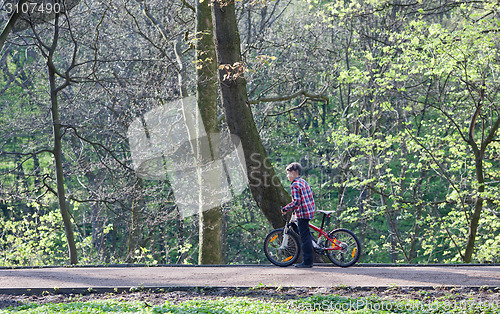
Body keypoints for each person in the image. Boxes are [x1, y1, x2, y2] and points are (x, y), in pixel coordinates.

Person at [281, 162, 315, 268]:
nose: (287, 176)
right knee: (305, 235)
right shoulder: (303, 182)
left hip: (303, 213)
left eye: (288, 173)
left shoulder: (295, 184)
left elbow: (296, 202)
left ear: (294, 172)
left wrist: (286, 208)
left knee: (305, 238)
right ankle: (309, 259)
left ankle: (307, 262)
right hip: (309, 210)